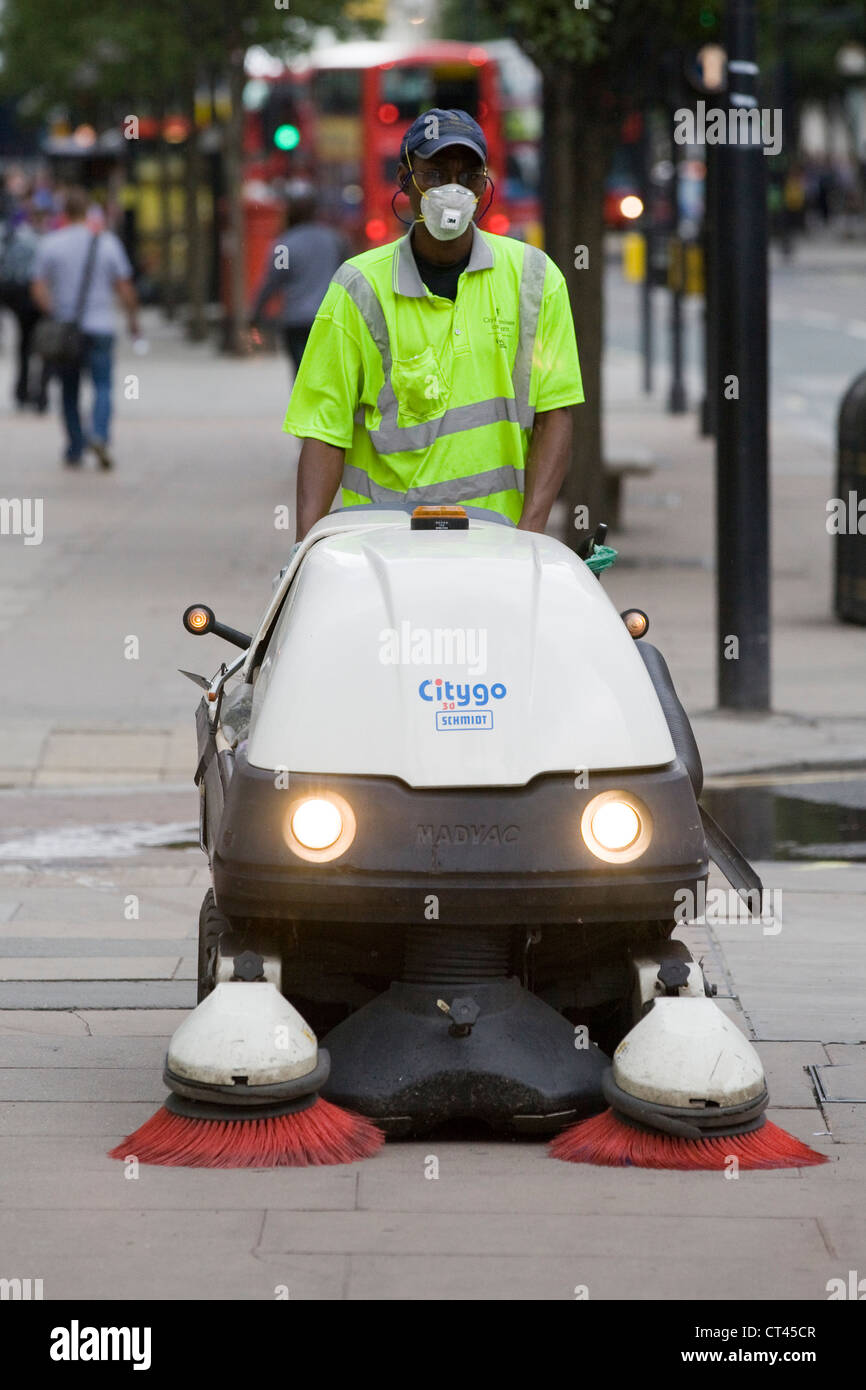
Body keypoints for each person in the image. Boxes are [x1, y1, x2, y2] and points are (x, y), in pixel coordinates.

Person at [284, 108, 583, 539]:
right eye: (436, 174)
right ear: (405, 181)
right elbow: (323, 431)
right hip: (386, 546)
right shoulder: (359, 287)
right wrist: (305, 551)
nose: (453, 189)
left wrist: (529, 533)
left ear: (485, 184)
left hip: (497, 544)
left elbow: (555, 413)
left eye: (468, 175)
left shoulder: (535, 279)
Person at [30, 186, 140, 469]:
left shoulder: (51, 243)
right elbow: (124, 287)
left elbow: (38, 287)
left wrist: (54, 311)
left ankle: (75, 446)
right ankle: (100, 434)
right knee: (103, 385)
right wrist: (133, 321)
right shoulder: (107, 243)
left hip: (67, 328)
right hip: (101, 326)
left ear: (64, 213)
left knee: (69, 390)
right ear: (89, 211)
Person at [249, 183, 347, 374]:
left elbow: (272, 282)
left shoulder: (284, 245)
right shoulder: (334, 239)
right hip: (329, 318)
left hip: (296, 320)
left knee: (301, 373)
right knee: (328, 373)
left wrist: (256, 313)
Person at [0, 199, 49, 411]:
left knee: (24, 346)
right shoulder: (35, 240)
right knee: (42, 346)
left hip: (13, 295)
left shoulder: (6, 236)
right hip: (31, 297)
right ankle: (40, 394)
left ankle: (22, 391)